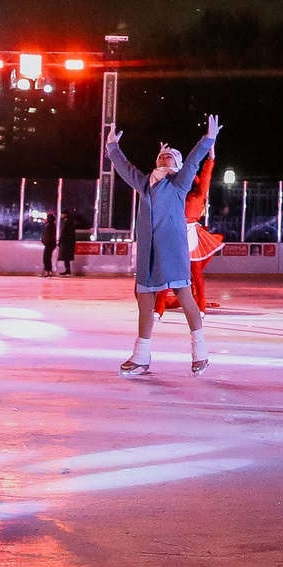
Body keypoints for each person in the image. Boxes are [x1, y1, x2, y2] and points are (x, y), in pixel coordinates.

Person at [105, 118, 221, 375]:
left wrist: (208, 140)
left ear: (177, 165)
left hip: (172, 250)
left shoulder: (179, 184)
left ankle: (200, 352)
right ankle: (141, 356)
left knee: (184, 295)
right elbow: (124, 167)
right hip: (147, 252)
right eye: (161, 155)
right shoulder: (144, 183)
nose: (164, 157)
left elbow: (193, 163)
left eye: (170, 156)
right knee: (145, 299)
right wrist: (112, 147)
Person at [153, 152, 223, 317]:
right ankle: (159, 308)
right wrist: (160, 162)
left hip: (191, 232)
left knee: (196, 272)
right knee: (168, 271)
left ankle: (201, 307)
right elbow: (161, 179)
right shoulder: (175, 191)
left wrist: (211, 158)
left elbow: (206, 177)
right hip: (174, 231)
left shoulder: (198, 194)